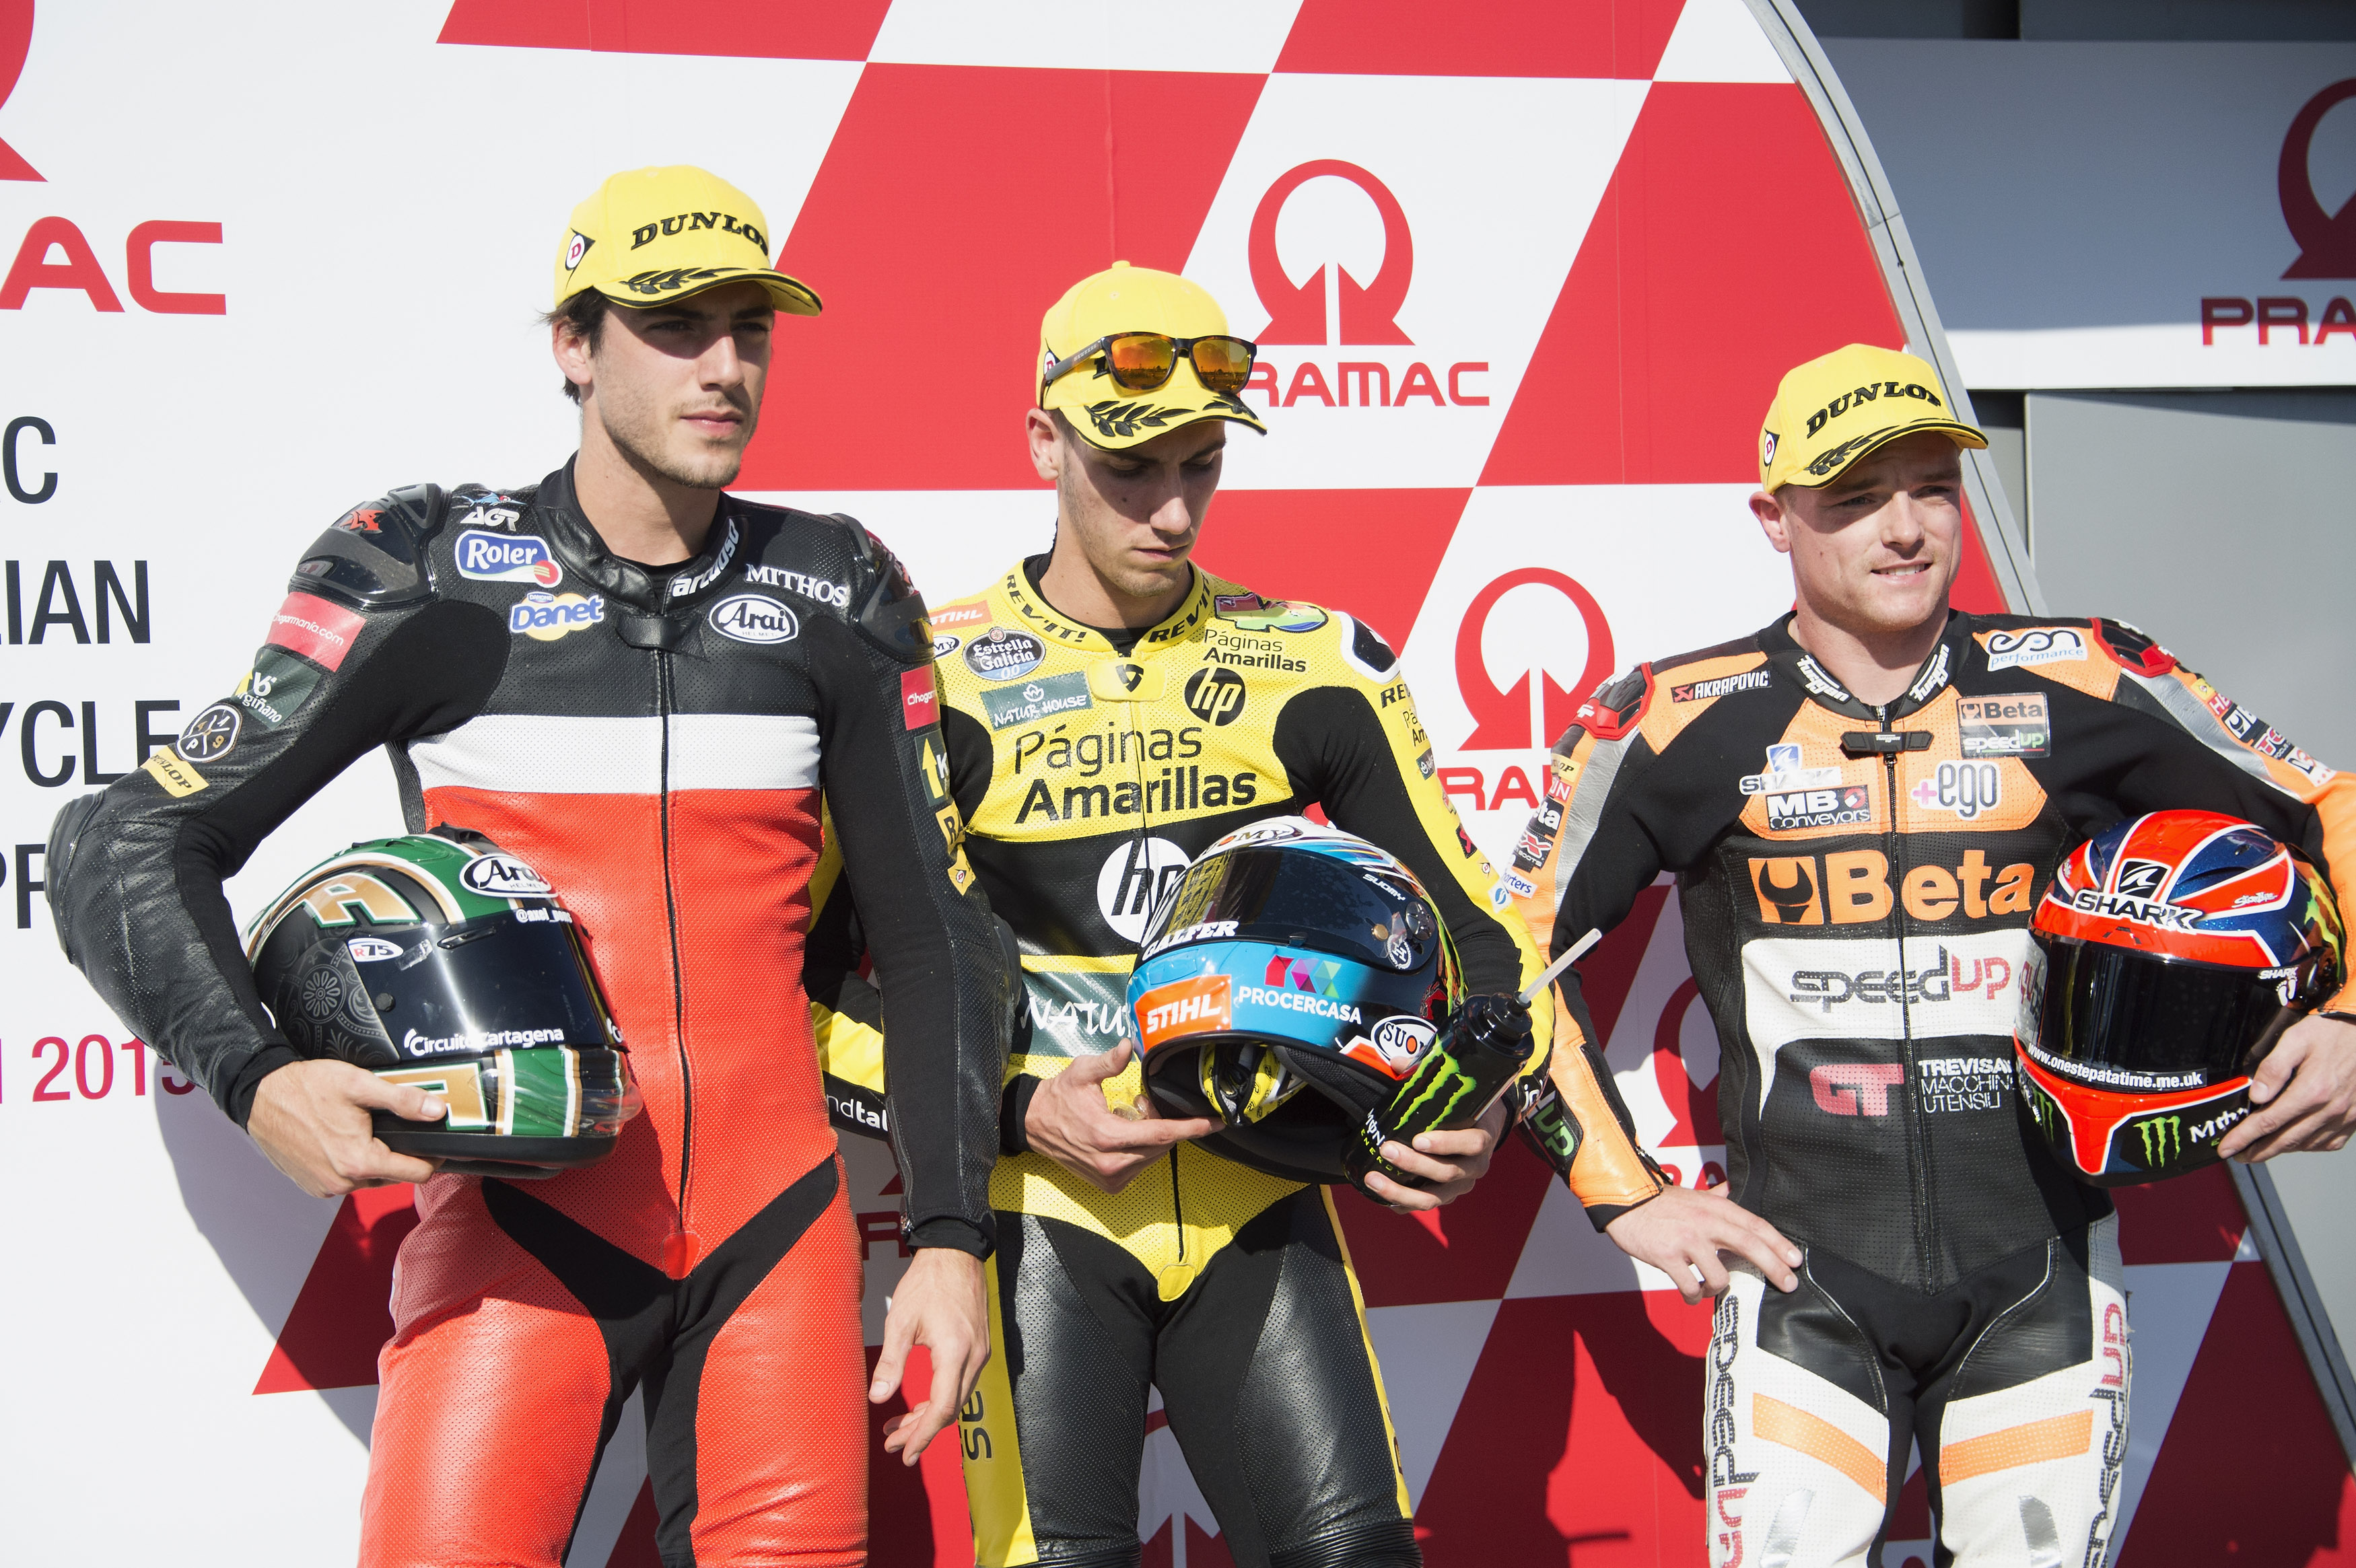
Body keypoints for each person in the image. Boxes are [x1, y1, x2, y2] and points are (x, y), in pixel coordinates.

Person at [44, 166, 1008, 1568]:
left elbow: (935, 933)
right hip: (526, 1225)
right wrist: (257, 1078)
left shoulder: (841, 586)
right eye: (677, 325)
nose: (725, 365)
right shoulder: (430, 569)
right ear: (573, 342)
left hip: (779, 1230)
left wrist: (949, 1234)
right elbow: (123, 836)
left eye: (751, 328)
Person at [802, 261, 1665, 1568]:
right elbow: (803, 990)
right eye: (1131, 465)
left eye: (1201, 464)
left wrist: (1482, 1107)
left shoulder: (1316, 661)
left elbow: (1487, 944)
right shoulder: (934, 672)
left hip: (1263, 1199)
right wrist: (1016, 1103)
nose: (1171, 507)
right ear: (1044, 440)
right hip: (1040, 1211)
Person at [1508, 342, 2356, 1567]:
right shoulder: (1674, 717)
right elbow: (1510, 946)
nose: (1904, 530)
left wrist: (2347, 1016)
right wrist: (1623, 1192)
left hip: (2039, 1277)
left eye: (1932, 490)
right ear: (1774, 516)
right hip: (1803, 1281)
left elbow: (2331, 804)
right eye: (1855, 498)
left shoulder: (2086, 674)